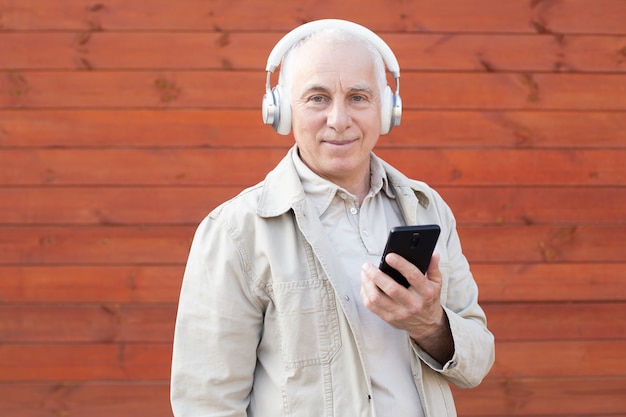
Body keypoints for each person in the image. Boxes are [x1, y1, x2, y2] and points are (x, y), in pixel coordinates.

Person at [170, 19, 495, 417]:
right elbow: (206, 404)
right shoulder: (236, 232)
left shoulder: (427, 209)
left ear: (388, 109)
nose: (339, 119)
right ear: (282, 110)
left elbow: (477, 364)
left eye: (358, 97)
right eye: (318, 98)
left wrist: (431, 325)